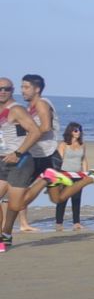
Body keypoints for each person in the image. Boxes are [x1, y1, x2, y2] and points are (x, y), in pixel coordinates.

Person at [0, 78, 46, 253]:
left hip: (21, 161)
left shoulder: (17, 110)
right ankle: (1, 239)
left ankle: (7, 233)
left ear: (12, 91)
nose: (3, 92)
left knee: (14, 205)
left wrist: (18, 153)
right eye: (0, 89)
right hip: (1, 160)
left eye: (7, 89)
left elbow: (35, 132)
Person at [54, 122, 88, 230]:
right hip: (65, 174)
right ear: (70, 131)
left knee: (76, 199)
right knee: (63, 199)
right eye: (76, 130)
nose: (78, 132)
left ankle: (76, 222)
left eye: (79, 130)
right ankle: (59, 223)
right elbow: (58, 161)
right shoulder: (63, 145)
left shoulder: (82, 144)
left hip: (78, 175)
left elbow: (84, 160)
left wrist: (86, 174)